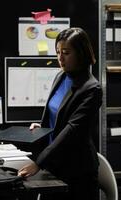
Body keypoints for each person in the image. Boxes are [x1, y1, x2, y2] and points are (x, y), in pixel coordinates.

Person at [17, 27, 103, 200]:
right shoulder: (61, 77)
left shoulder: (92, 89)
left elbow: (73, 130)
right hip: (54, 166)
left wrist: (38, 163)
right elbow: (57, 114)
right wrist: (43, 128)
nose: (60, 58)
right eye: (57, 52)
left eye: (66, 52)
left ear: (81, 53)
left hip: (77, 174)